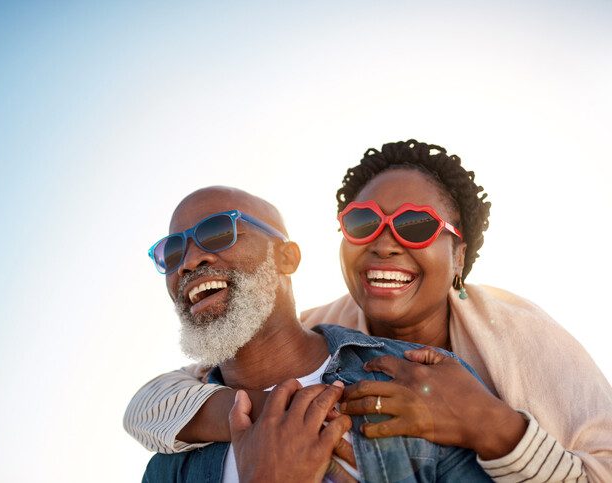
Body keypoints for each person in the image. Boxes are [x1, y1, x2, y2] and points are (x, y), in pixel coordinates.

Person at [125, 140, 612, 482]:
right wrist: (262, 415)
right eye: (362, 223)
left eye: (416, 225)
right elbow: (155, 402)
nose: (384, 243)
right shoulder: (314, 331)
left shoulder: (515, 335)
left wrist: (488, 425)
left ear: (458, 256)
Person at [138, 185, 492, 482]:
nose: (188, 262)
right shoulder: (168, 468)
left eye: (217, 233)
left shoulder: (419, 380)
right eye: (172, 253)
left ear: (286, 258)